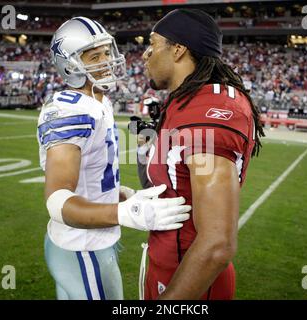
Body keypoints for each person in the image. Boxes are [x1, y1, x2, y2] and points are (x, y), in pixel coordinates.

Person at [37, 17, 191, 300]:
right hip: (81, 246)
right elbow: (57, 201)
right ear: (70, 65)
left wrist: (120, 195)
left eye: (107, 52)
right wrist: (125, 213)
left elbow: (91, 175)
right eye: (95, 56)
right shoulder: (69, 111)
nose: (106, 61)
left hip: (93, 240)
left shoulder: (99, 101)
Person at [139, 9, 264, 300]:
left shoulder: (209, 111)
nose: (146, 55)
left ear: (179, 49)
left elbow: (217, 244)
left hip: (192, 284)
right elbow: (178, 184)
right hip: (168, 263)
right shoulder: (185, 100)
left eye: (153, 44)